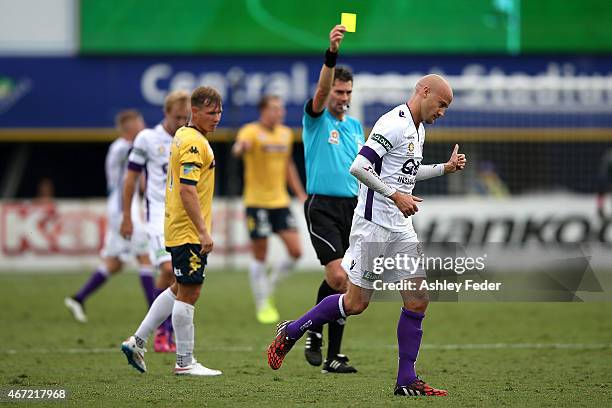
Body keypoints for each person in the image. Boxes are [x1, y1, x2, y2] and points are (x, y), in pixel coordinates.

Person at [267, 74, 467, 397]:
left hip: (400, 227)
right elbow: (359, 167)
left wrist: (445, 168)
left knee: (418, 299)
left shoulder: (420, 130)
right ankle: (291, 331)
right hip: (372, 225)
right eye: (441, 104)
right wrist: (394, 195)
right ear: (425, 92)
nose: (442, 111)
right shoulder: (392, 124)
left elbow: (409, 173)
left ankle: (406, 380)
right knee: (356, 303)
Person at [121, 86, 223, 377]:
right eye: (211, 112)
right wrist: (203, 231)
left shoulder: (183, 135)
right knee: (190, 291)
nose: (217, 117)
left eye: (219, 111)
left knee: (178, 288)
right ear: (195, 112)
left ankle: (137, 341)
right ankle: (184, 362)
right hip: (188, 229)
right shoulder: (193, 142)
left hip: (177, 225)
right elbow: (187, 189)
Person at [299, 25, 365, 373]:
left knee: (348, 282)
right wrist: (332, 53)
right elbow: (321, 88)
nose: (342, 96)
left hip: (353, 209)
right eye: (339, 91)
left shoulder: (355, 127)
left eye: (347, 91)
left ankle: (333, 358)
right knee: (339, 277)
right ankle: (311, 331)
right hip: (322, 206)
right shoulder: (316, 119)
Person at [64, 110, 152, 323]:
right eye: (139, 124)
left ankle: (78, 298)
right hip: (124, 208)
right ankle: (156, 313)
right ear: (129, 128)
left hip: (124, 206)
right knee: (145, 256)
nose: (143, 127)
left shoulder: (125, 148)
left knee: (115, 262)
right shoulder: (121, 147)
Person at [120, 90, 191, 352]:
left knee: (184, 279)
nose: (182, 121)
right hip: (157, 216)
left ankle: (159, 332)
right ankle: (160, 332)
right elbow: (130, 179)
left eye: (186, 117)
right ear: (166, 113)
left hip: (184, 216)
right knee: (168, 270)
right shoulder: (148, 138)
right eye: (178, 117)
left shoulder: (190, 138)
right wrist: (127, 215)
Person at [232, 95, 307, 324]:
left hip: (280, 202)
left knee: (296, 251)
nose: (280, 113)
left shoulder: (285, 134)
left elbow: (288, 166)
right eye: (275, 109)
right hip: (256, 203)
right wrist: (240, 148)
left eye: (281, 109)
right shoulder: (250, 132)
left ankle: (269, 286)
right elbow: (237, 149)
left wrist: (301, 194)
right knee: (260, 254)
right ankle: (262, 302)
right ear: (263, 110)